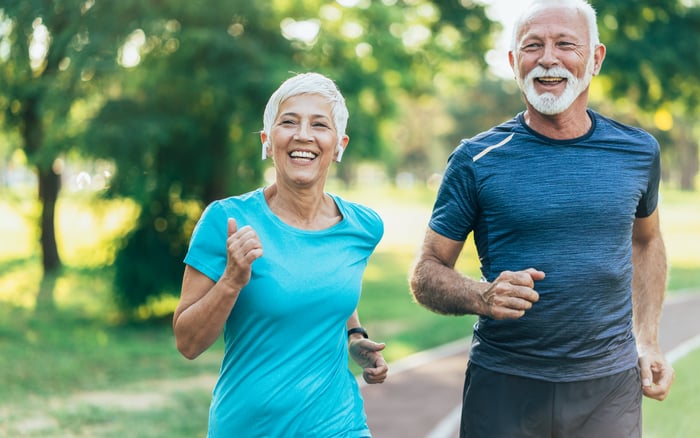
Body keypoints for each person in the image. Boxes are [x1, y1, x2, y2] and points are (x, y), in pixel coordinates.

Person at [409, 1, 674, 436]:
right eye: (533, 46)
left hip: (609, 386)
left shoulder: (638, 152)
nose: (548, 58)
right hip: (505, 385)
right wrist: (481, 295)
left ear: (595, 58)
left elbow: (646, 240)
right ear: (514, 62)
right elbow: (425, 271)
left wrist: (647, 340)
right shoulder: (475, 159)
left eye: (565, 44)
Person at [173, 72, 388, 437]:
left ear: (339, 145)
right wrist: (232, 281)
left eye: (320, 124)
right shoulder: (227, 221)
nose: (303, 135)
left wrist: (355, 333)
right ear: (268, 141)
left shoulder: (364, 227)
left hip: (340, 425)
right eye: (289, 122)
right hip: (248, 427)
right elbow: (188, 343)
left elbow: (325, 277)